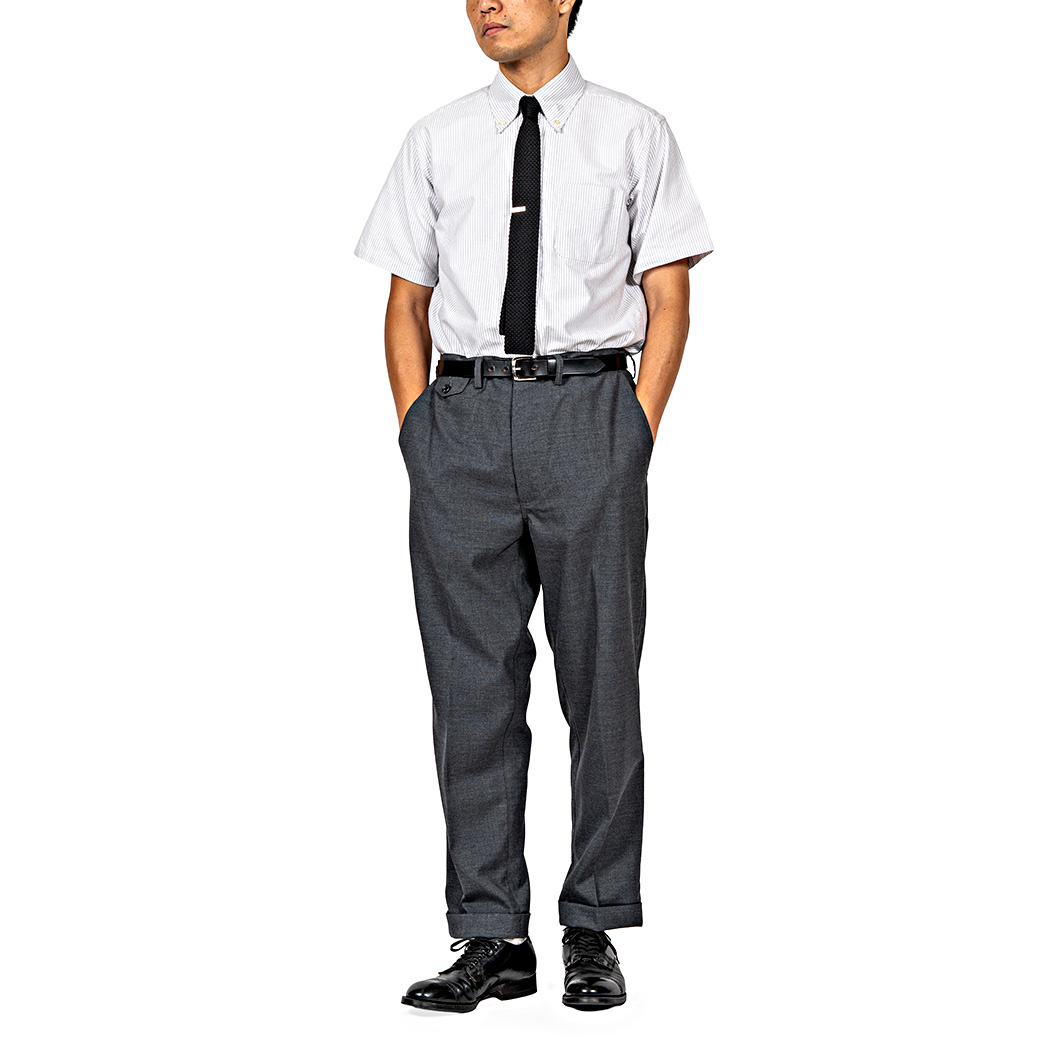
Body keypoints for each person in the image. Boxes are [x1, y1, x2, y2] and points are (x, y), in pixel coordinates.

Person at [353, 0, 714, 1013]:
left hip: (588, 414)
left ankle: (593, 923)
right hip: (461, 424)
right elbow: (405, 301)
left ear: (566, 0)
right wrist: (419, 432)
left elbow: (670, 295)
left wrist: (632, 431)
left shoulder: (635, 132)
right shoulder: (435, 138)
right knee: (470, 687)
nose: (486, 4)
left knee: (601, 680)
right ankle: (491, 934)